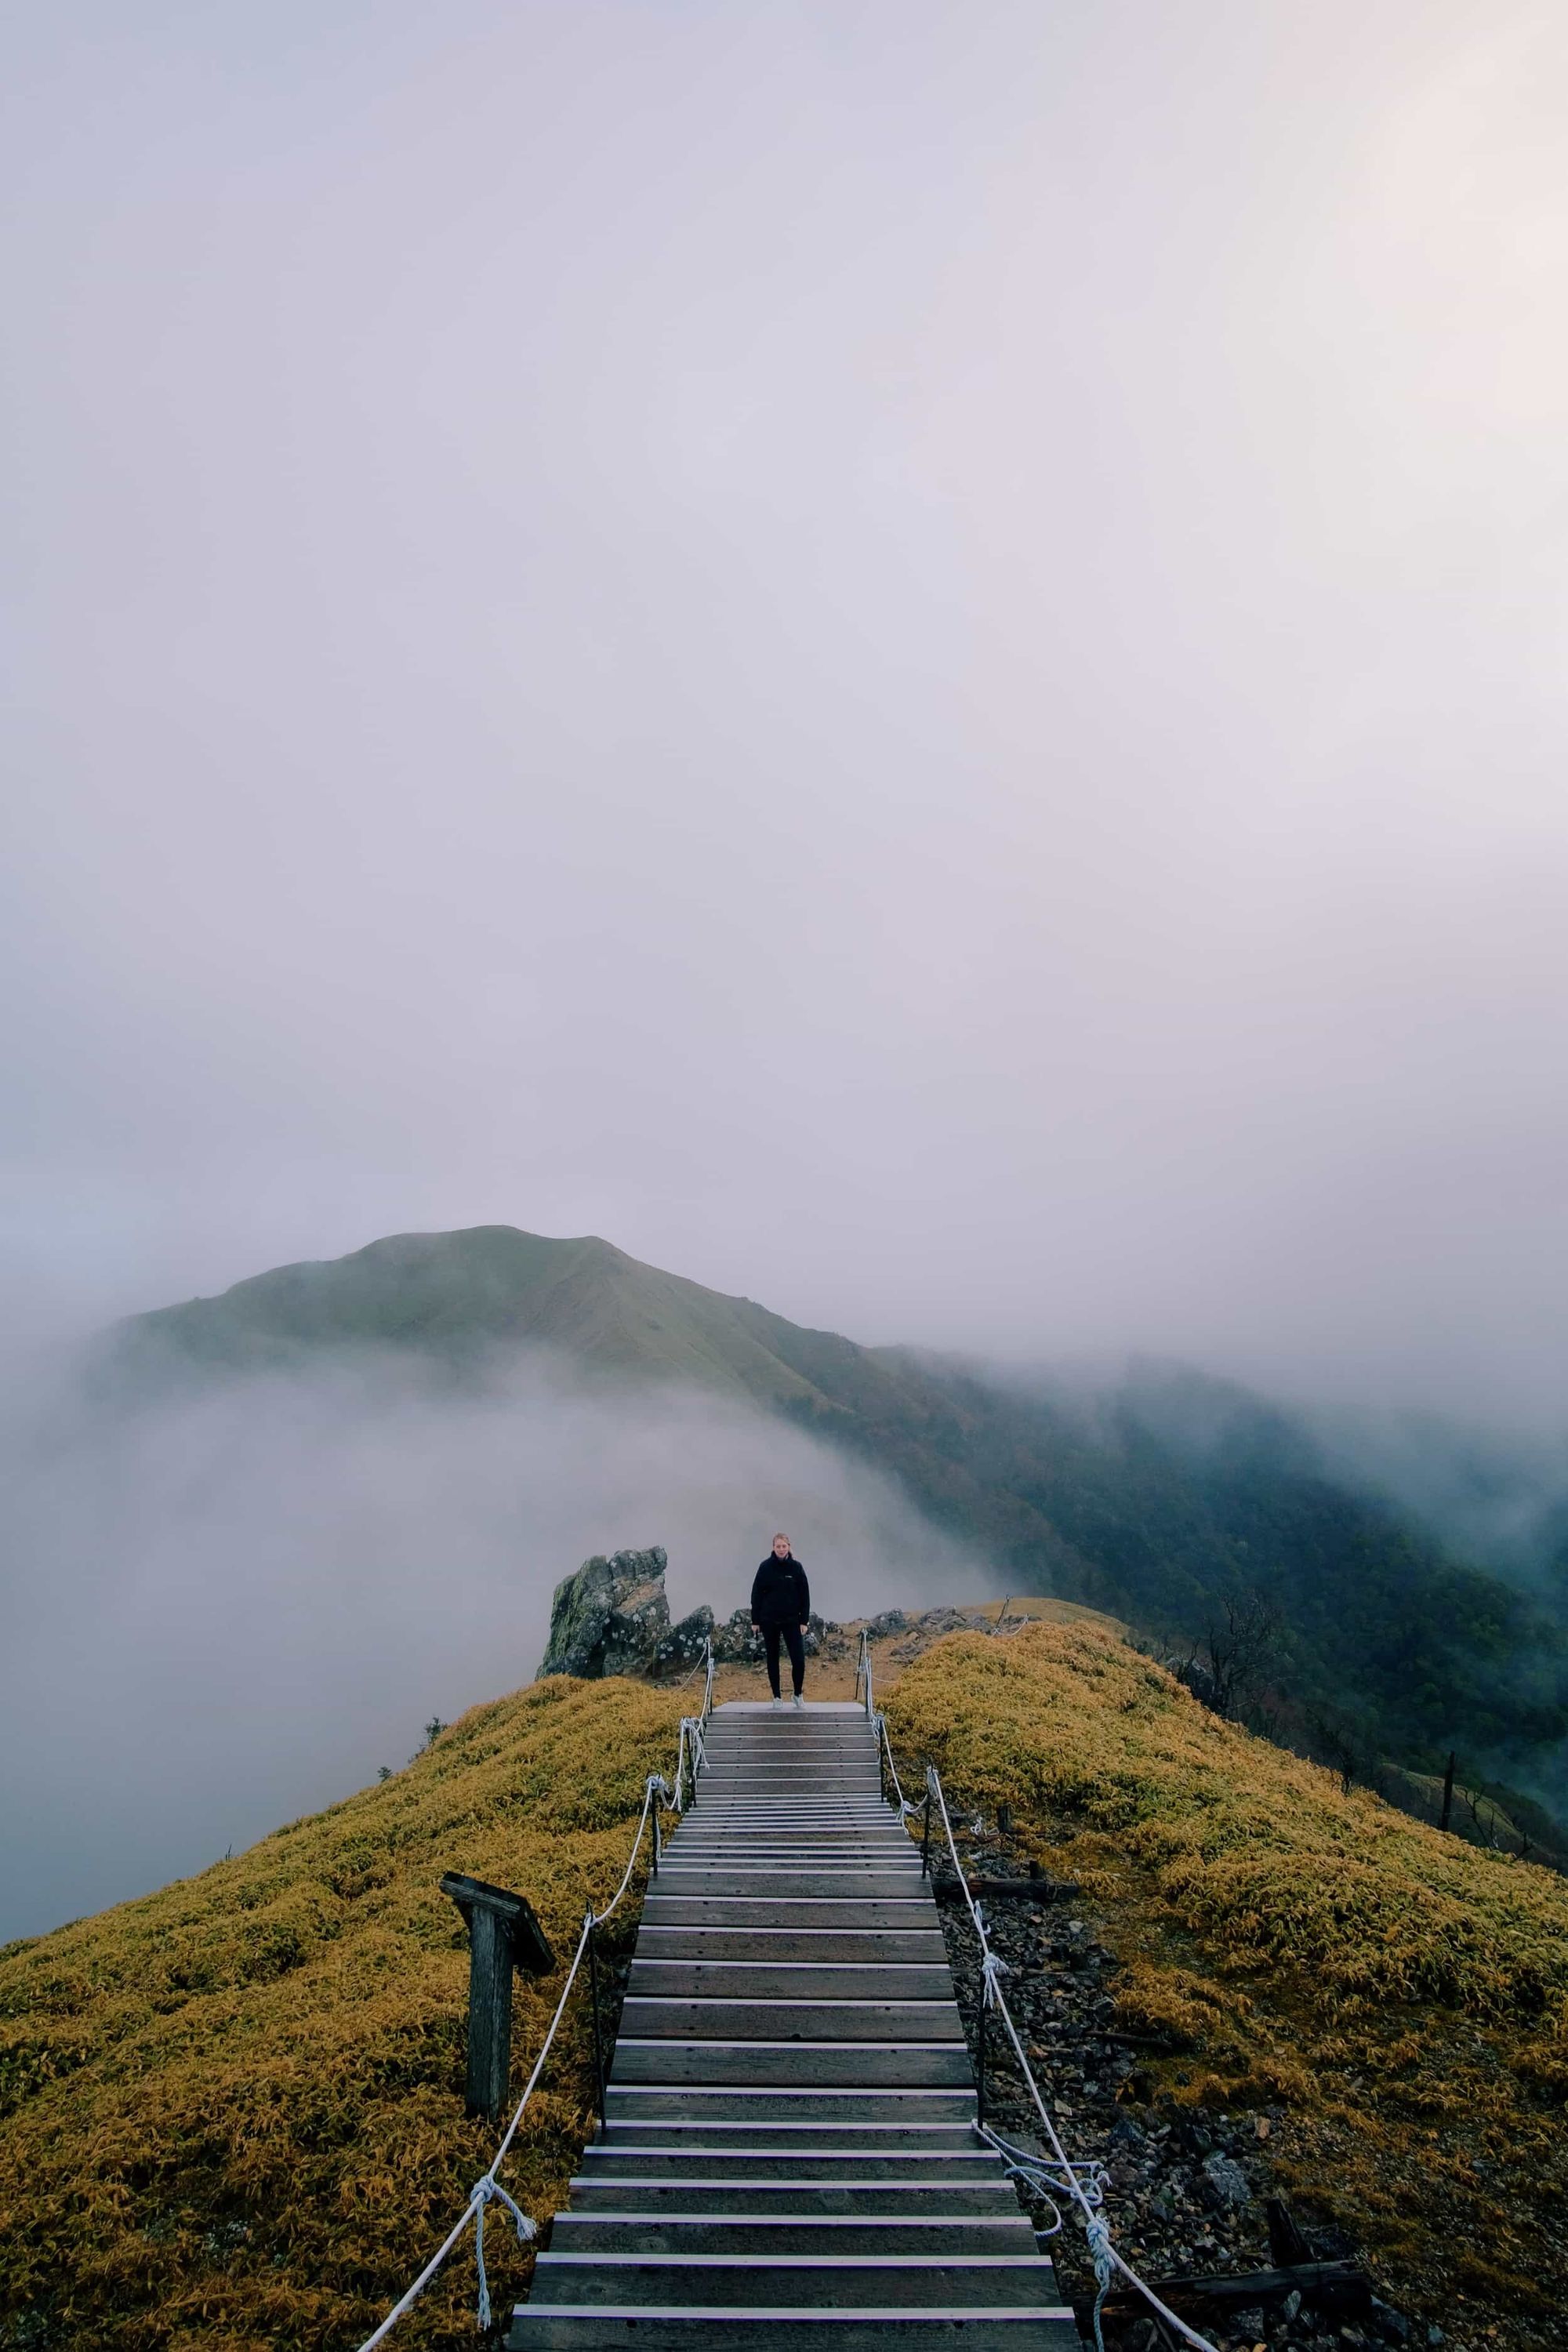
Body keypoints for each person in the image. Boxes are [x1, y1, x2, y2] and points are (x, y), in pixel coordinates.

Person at [750, 1534, 810, 1710]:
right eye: (778, 1546)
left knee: (798, 1659)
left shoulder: (797, 1568)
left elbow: (805, 1595)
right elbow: (756, 1594)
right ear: (773, 1548)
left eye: (784, 1546)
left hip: (792, 1620)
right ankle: (777, 1696)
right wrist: (755, 1620)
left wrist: (804, 1621)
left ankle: (797, 1694)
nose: (782, 1549)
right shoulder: (765, 1567)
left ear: (789, 1547)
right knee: (773, 1659)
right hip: (769, 1620)